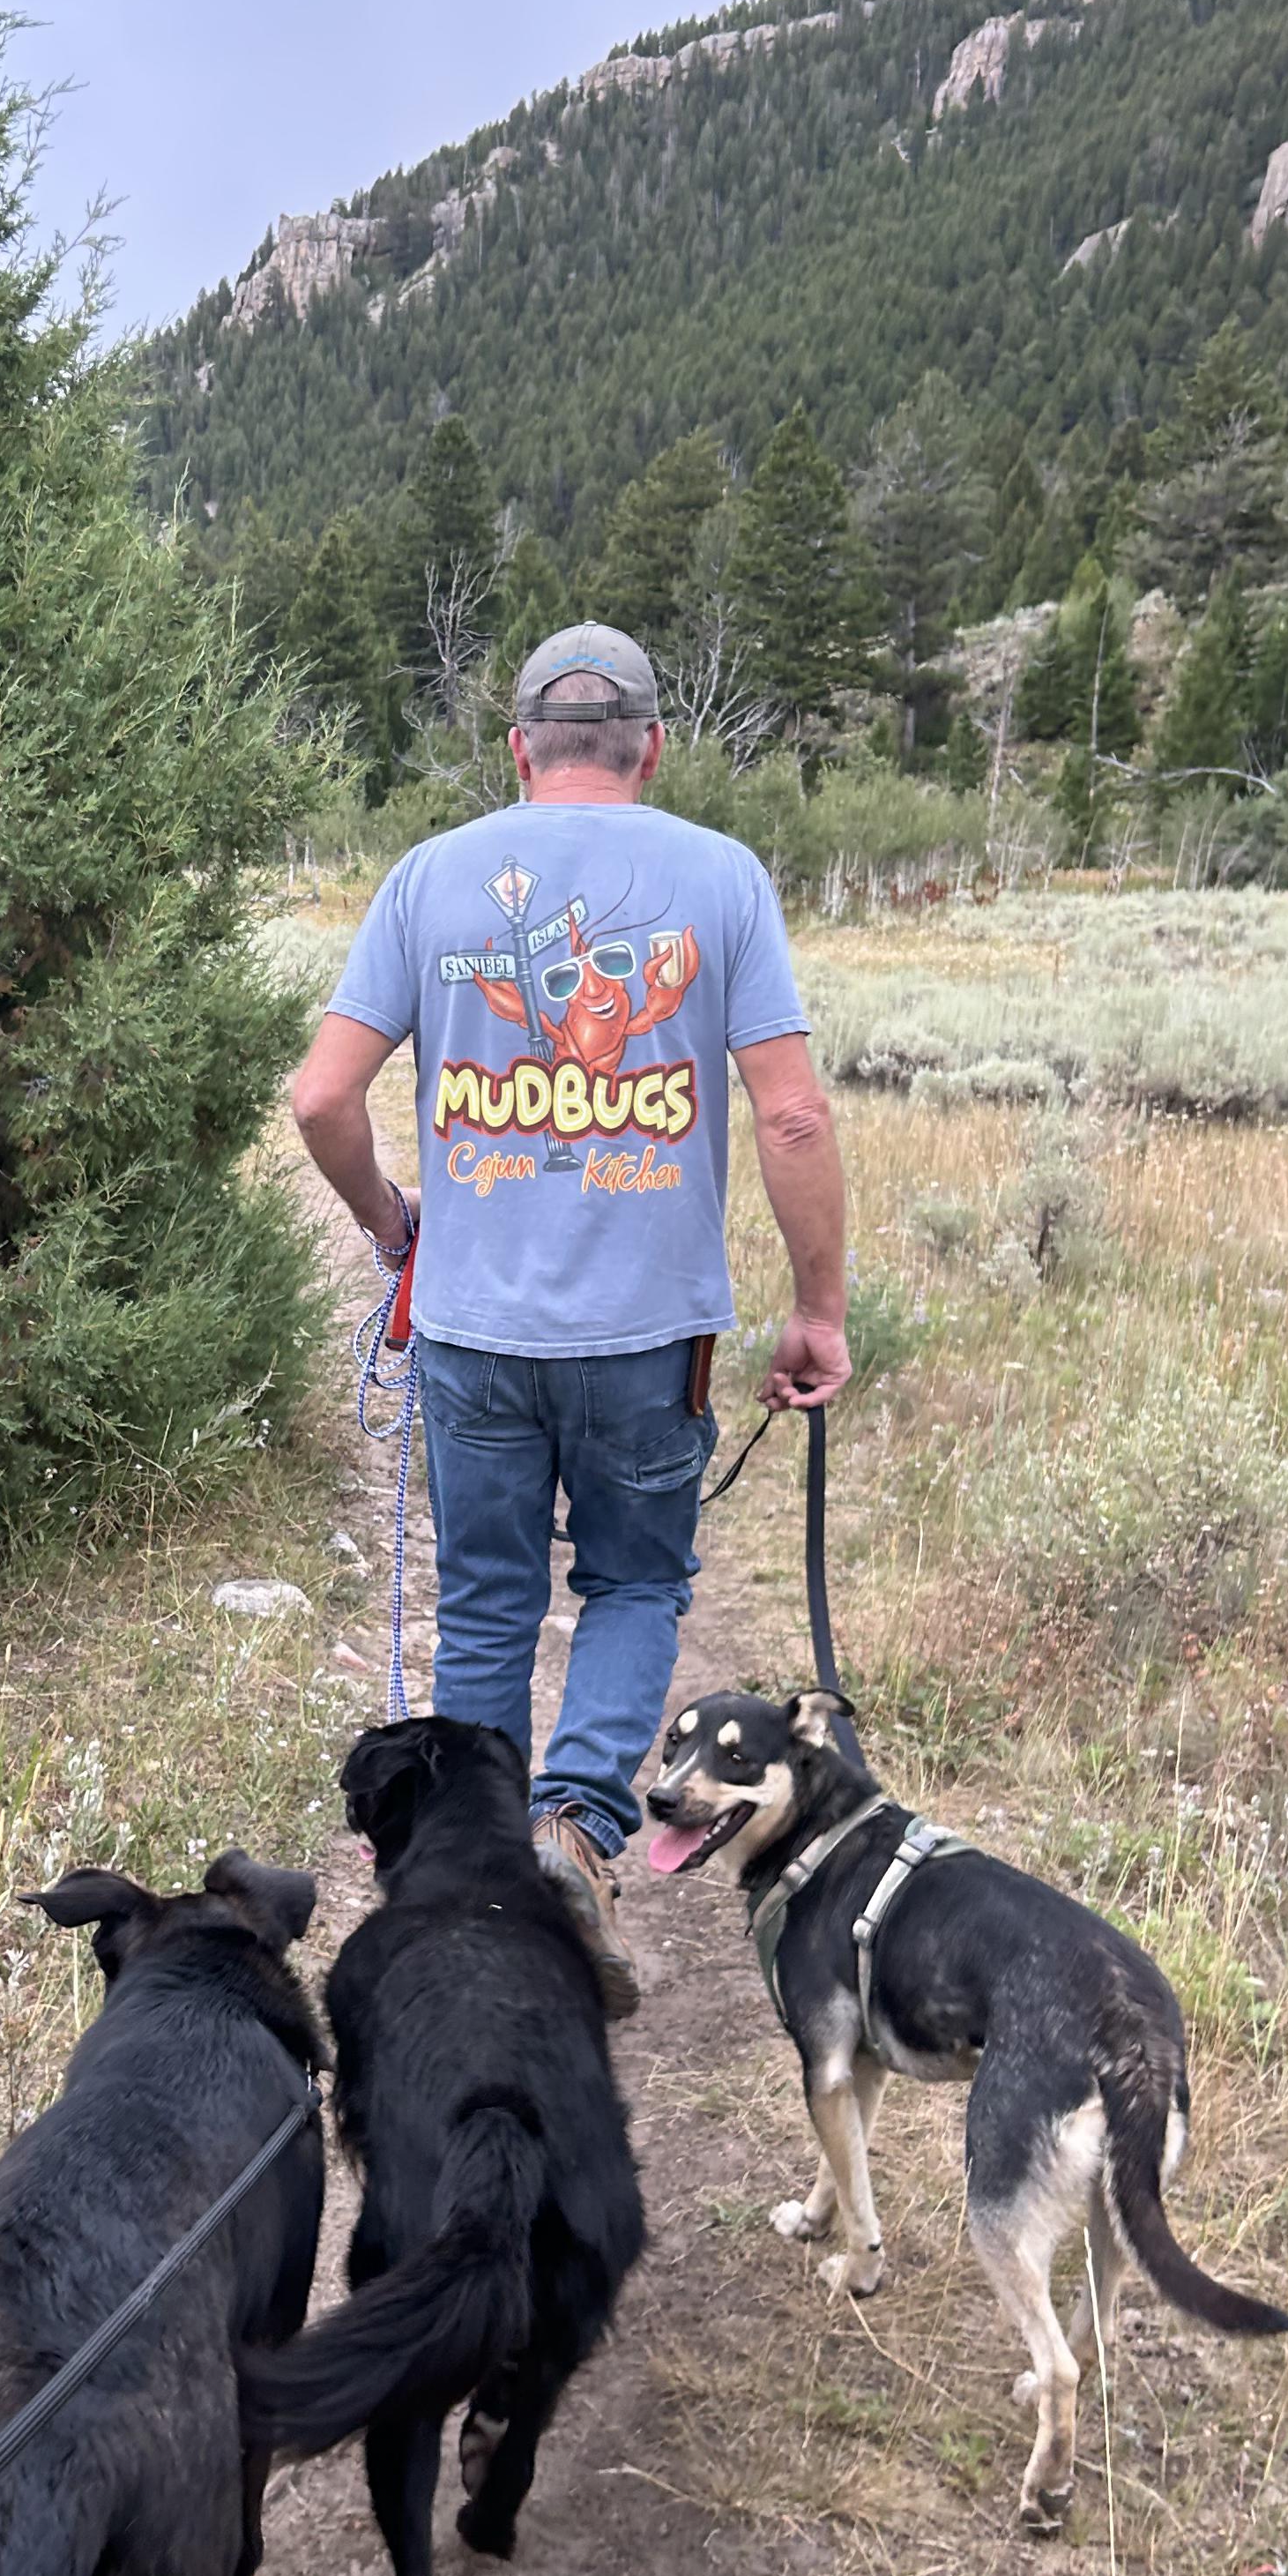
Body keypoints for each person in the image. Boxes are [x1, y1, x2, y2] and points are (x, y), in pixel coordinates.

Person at [289, 623, 850, 2016]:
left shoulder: (430, 879)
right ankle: (580, 1832)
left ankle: (480, 1885)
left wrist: (387, 1221)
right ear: (652, 746)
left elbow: (319, 1098)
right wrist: (819, 1311)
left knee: (487, 1598)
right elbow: (788, 1110)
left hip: (474, 1332)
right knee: (637, 1583)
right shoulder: (721, 879)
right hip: (650, 1338)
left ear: (521, 748)